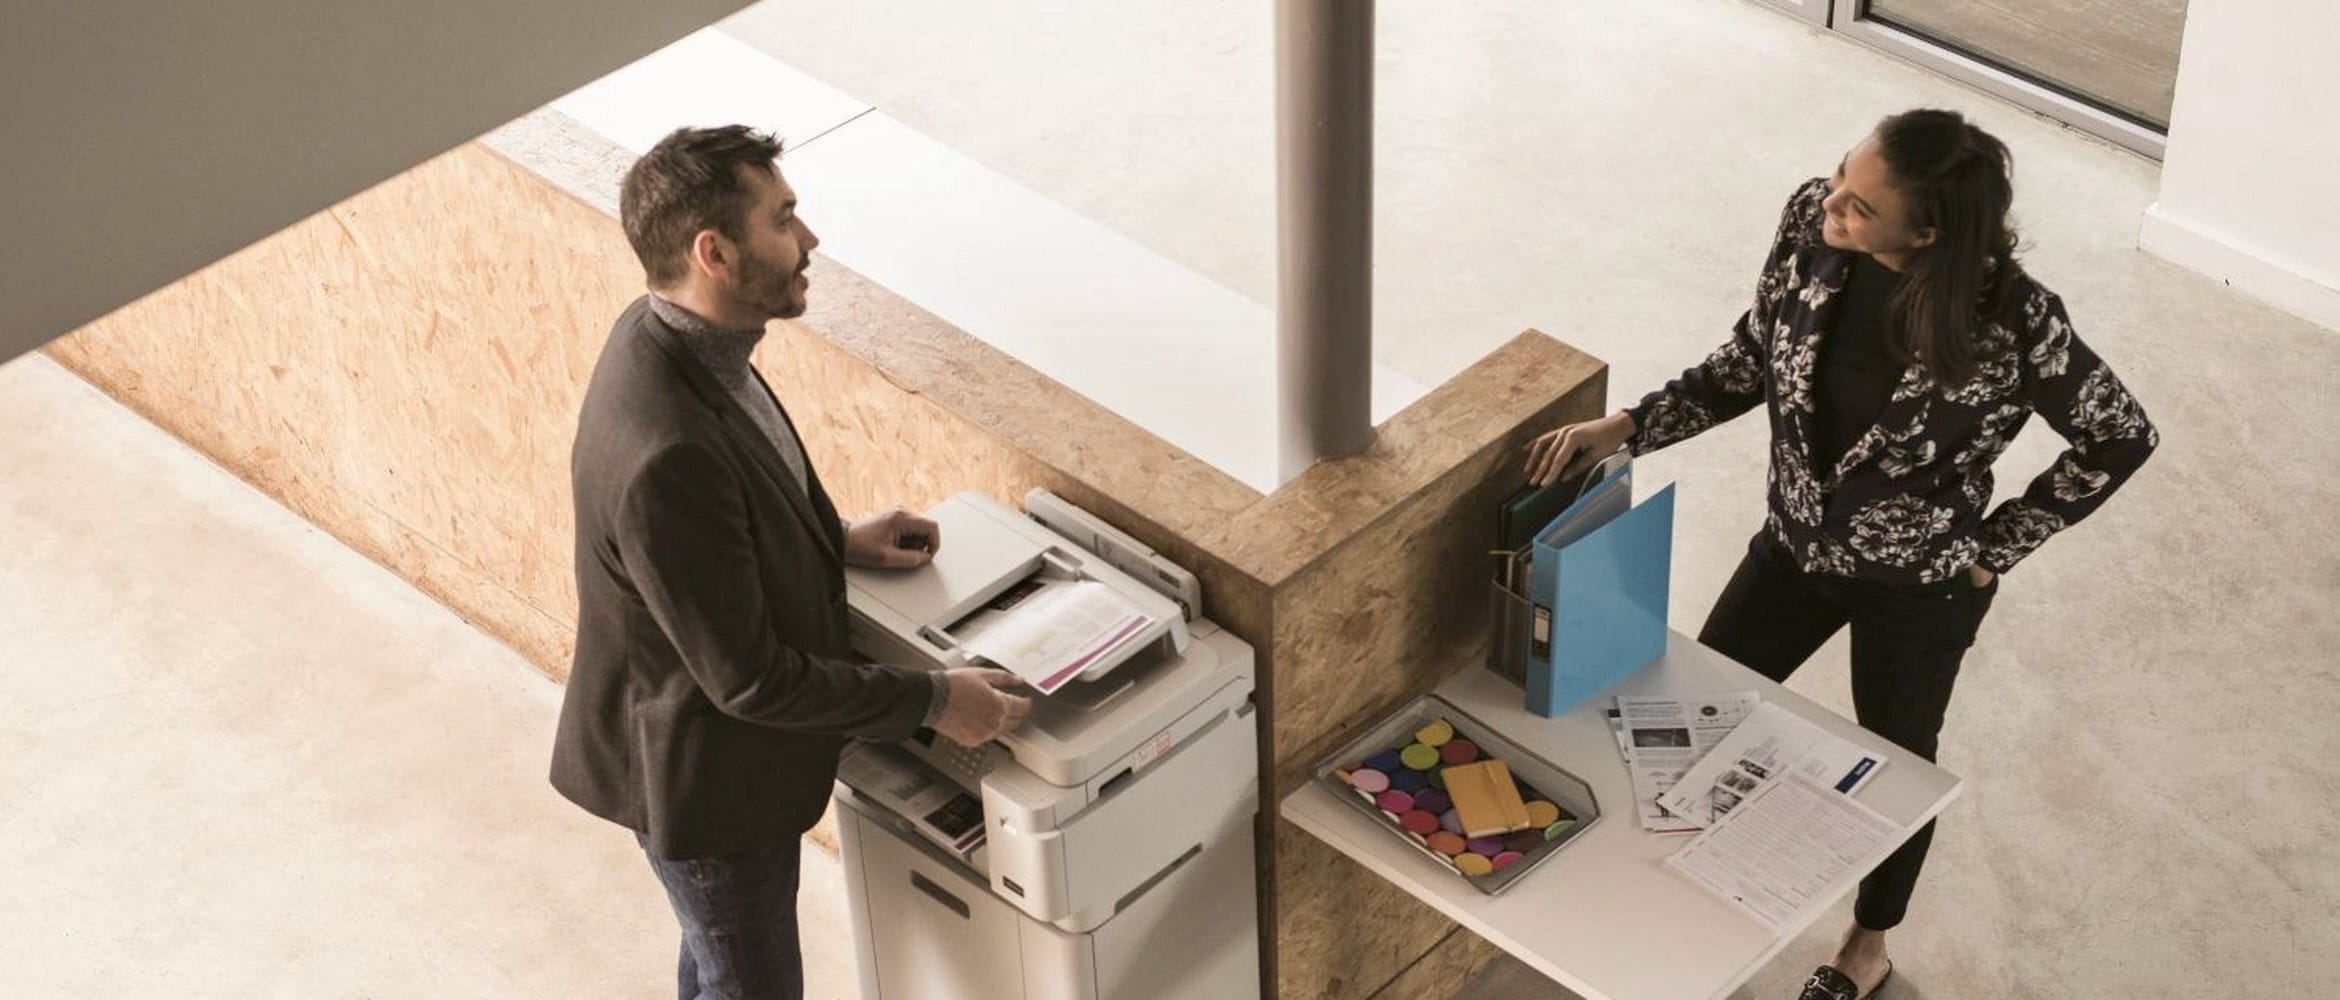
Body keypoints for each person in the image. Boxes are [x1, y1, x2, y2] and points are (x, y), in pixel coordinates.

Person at [1523, 109, 2156, 1000]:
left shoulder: (2017, 325)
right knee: (1691, 717)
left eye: (1861, 206)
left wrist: (1995, 549)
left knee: (1898, 767)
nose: (1832, 206)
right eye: (1838, 178)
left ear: (1926, 233)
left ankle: (1867, 945)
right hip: (1792, 546)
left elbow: (2120, 437)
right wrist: (1630, 425)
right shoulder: (1809, 226)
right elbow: (1750, 357)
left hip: (1921, 585)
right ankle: (1673, 901)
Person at [551, 124, 1033, 1000]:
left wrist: (834, 538)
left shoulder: (679, 338)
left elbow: (707, 540)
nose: (809, 241)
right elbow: (751, 681)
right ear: (715, 252)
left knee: (716, 963)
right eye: (784, 219)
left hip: (708, 759)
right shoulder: (671, 447)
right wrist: (935, 701)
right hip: (705, 790)